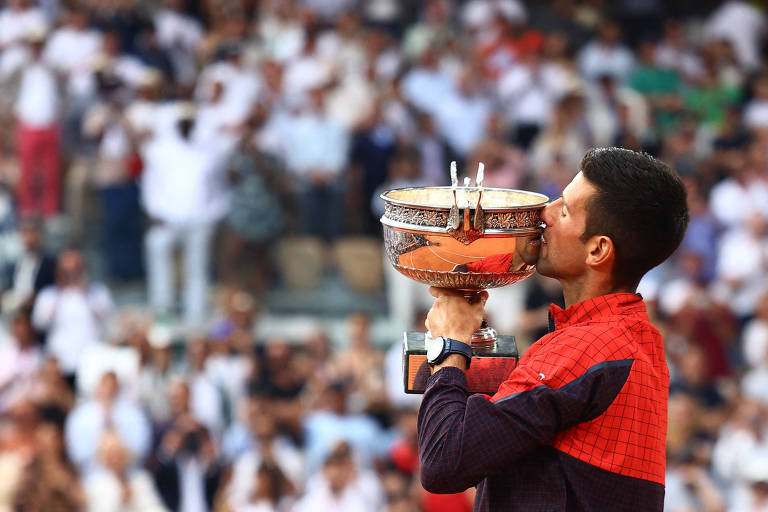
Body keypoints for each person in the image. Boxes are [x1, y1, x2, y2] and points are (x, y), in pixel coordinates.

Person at [419, 147, 689, 510]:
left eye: (563, 210)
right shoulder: (638, 340)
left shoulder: (585, 350)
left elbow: (443, 461)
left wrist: (449, 344)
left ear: (598, 251)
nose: (544, 213)